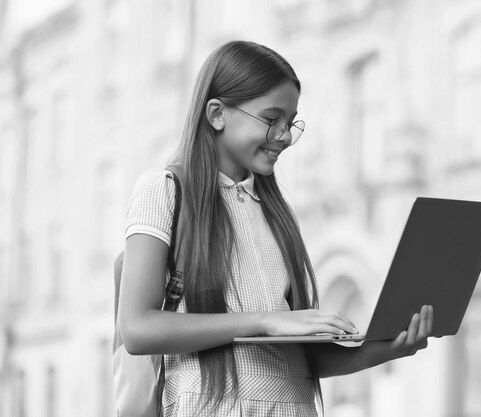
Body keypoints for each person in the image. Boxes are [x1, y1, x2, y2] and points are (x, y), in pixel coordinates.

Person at [118, 40, 434, 417]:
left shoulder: (276, 213)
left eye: (290, 123)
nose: (284, 136)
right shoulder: (164, 189)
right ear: (217, 113)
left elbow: (294, 362)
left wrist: (380, 349)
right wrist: (266, 321)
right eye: (271, 120)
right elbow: (137, 329)